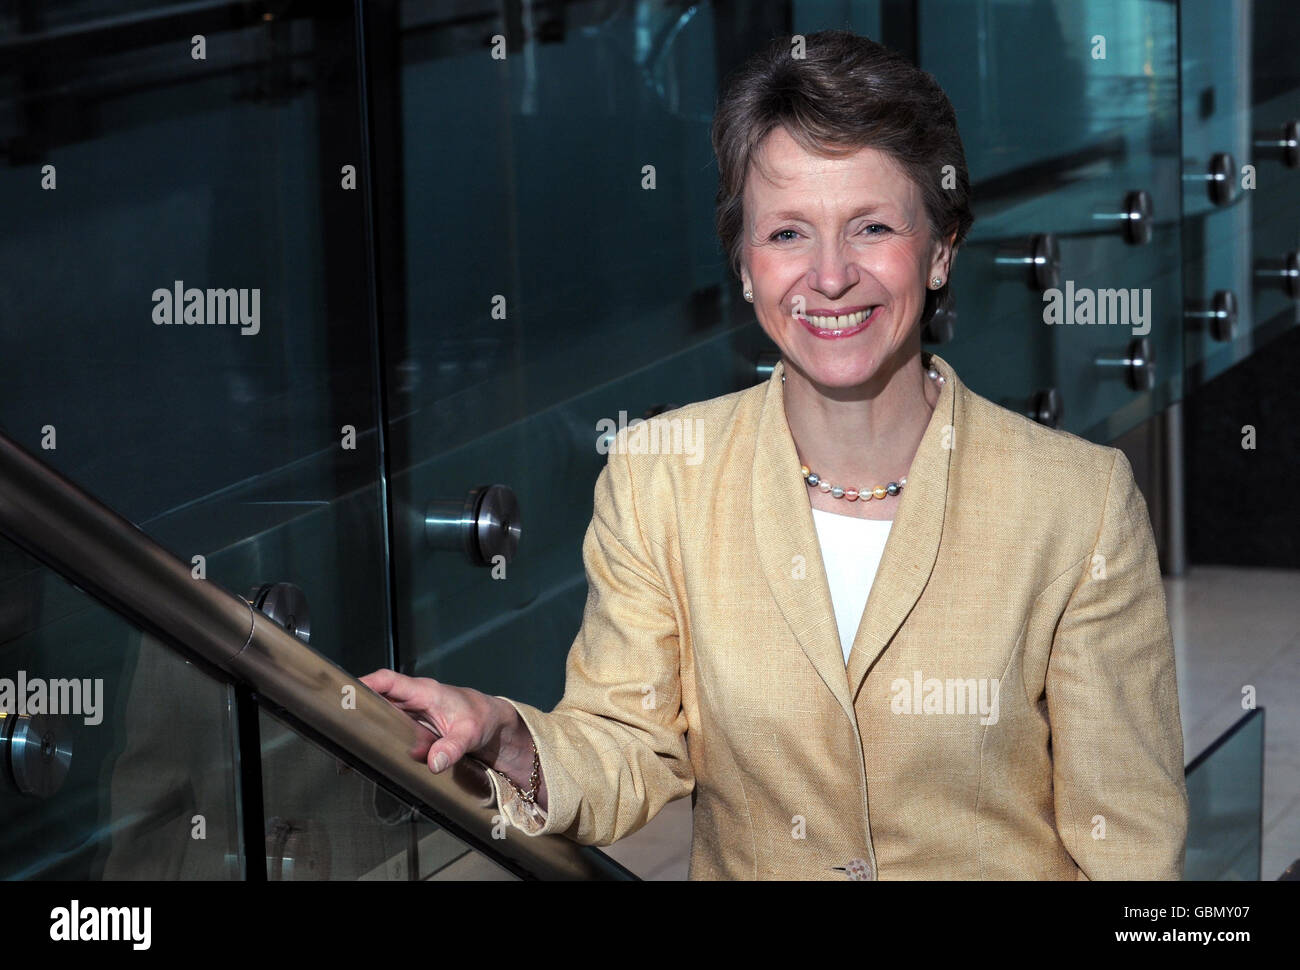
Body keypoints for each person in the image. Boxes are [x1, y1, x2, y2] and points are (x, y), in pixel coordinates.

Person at [362, 29, 1188, 880]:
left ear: (941, 250)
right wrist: (505, 734)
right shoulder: (661, 477)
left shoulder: (1078, 503)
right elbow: (627, 745)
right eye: (788, 234)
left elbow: (1129, 850)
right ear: (745, 263)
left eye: (870, 226)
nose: (829, 277)